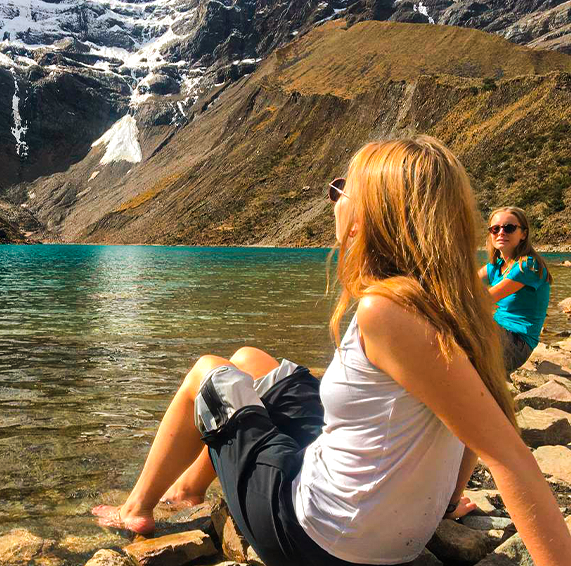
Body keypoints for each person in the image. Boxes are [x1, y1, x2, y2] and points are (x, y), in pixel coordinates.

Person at [92, 136, 571, 566]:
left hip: (316, 537)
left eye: (342, 190)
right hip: (389, 533)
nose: (335, 201)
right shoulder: (449, 303)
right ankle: (190, 488)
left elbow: (511, 458)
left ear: (373, 215)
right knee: (249, 360)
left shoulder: (387, 310)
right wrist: (445, 498)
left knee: (207, 373)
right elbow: (471, 424)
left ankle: (136, 509)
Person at [479, 206, 552, 374]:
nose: (501, 232)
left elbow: (483, 300)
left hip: (516, 345)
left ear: (523, 234)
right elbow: (464, 284)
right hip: (499, 334)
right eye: (495, 229)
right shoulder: (496, 266)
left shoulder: (528, 266)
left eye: (509, 228)